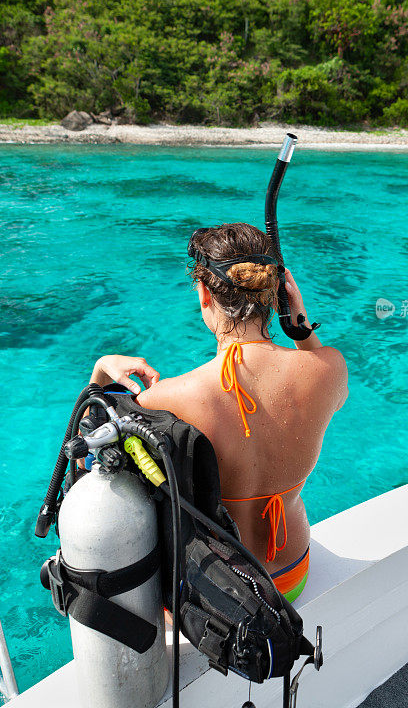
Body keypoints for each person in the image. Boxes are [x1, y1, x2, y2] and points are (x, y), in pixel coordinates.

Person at [88, 223, 348, 602]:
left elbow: (92, 458)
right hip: (292, 576)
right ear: (277, 294)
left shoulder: (167, 398)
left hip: (218, 593)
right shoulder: (330, 370)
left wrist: (101, 372)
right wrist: (300, 328)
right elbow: (323, 374)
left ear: (206, 294)